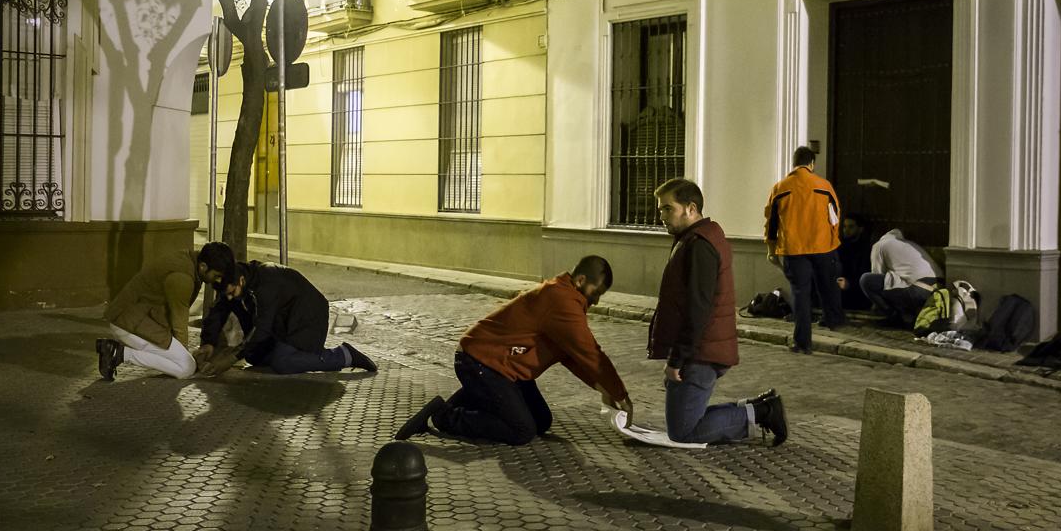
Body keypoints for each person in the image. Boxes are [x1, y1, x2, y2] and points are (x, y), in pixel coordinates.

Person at [395, 256, 631, 446]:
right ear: (580, 280)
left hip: (506, 367)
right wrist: (619, 393)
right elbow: (590, 352)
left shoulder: (565, 297)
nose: (597, 301)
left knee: (541, 421)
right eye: (597, 292)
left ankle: (470, 397)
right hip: (481, 362)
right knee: (521, 430)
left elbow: (572, 356)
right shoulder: (561, 301)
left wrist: (603, 388)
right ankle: (444, 416)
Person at [652, 178, 787, 446]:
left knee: (683, 432)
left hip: (700, 351)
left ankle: (762, 412)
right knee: (685, 421)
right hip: (703, 347)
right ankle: (758, 406)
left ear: (690, 208)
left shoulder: (699, 244)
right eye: (660, 210)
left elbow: (698, 308)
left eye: (667, 209)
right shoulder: (697, 238)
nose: (662, 216)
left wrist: (677, 359)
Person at [195, 260, 376, 376]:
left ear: (241, 281)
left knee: (283, 363)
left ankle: (343, 355)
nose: (230, 297)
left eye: (232, 293)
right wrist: (208, 343)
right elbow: (219, 310)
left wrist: (232, 357)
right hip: (283, 324)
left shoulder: (266, 281)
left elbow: (263, 326)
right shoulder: (235, 283)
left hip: (307, 320)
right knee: (254, 355)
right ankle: (292, 355)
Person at [94, 241, 235, 381]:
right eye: (216, 275)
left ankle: (116, 352)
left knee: (185, 361)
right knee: (186, 368)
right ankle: (118, 353)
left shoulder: (190, 262)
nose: (218, 280)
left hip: (138, 320)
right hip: (129, 324)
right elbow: (179, 322)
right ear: (203, 266)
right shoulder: (182, 278)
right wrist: (184, 354)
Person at [764, 146, 846, 353]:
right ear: (811, 164)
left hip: (794, 248)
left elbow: (771, 223)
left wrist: (771, 249)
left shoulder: (780, 188)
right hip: (823, 246)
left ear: (793, 163)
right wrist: (833, 241)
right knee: (828, 285)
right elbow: (835, 217)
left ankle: (803, 343)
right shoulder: (824, 186)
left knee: (800, 294)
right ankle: (833, 321)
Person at [861, 228, 940, 328]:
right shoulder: (908, 243)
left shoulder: (879, 245)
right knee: (895, 282)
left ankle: (895, 317)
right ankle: (908, 317)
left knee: (866, 280)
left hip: (919, 290)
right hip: (938, 289)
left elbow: (877, 273)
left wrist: (877, 305)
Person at [837, 213, 871, 310]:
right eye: (844, 227)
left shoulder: (865, 249)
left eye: (851, 227)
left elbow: (865, 272)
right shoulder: (839, 246)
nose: (846, 230)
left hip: (856, 290)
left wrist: (850, 283)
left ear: (860, 229)